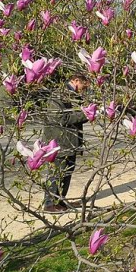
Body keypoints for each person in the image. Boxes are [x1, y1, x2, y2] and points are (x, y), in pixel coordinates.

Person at [43, 75, 90, 213]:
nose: (84, 89)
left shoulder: (72, 95)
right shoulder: (59, 95)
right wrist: (85, 114)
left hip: (69, 142)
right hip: (58, 142)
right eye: (84, 85)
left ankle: (60, 200)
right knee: (57, 173)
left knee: (67, 172)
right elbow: (58, 118)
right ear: (76, 81)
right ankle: (49, 204)